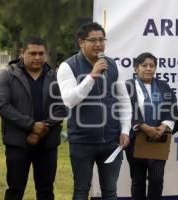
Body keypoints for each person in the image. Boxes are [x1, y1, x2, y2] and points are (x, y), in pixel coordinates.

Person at [57, 22, 131, 199]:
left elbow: (123, 99)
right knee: (81, 190)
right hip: (83, 141)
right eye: (93, 40)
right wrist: (92, 76)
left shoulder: (112, 65)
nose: (99, 44)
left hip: (111, 141)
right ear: (81, 42)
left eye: (102, 40)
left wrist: (125, 130)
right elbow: (69, 100)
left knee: (110, 191)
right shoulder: (68, 66)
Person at [0, 36, 65, 200]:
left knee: (46, 191)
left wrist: (39, 131)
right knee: (15, 190)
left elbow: (62, 107)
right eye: (33, 53)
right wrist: (31, 125)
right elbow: (3, 106)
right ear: (23, 53)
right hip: (17, 144)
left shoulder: (55, 76)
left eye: (41, 53)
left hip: (47, 144)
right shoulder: (7, 75)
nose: (38, 57)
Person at [124, 52, 178, 200]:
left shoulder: (163, 86)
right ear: (136, 68)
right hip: (136, 139)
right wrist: (143, 126)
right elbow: (124, 109)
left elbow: (172, 108)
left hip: (159, 139)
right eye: (144, 65)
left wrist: (163, 127)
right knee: (138, 181)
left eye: (152, 65)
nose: (148, 68)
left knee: (157, 180)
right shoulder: (127, 86)